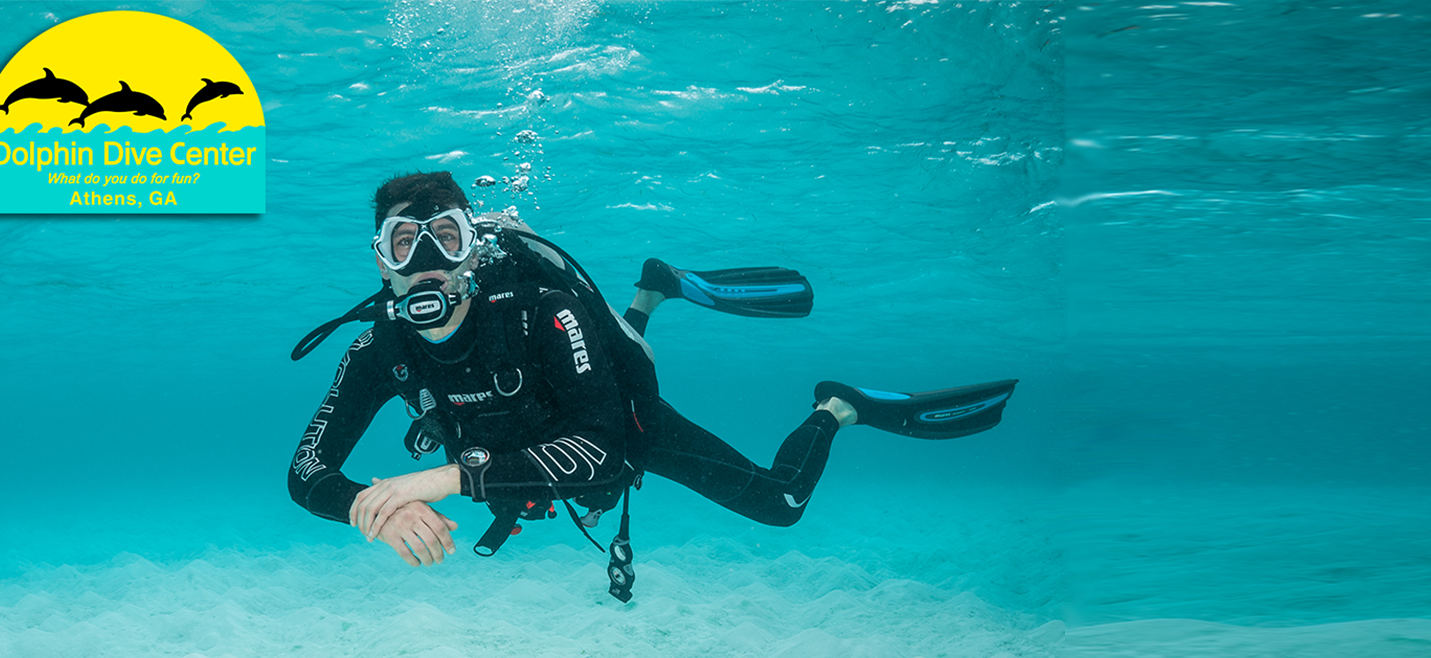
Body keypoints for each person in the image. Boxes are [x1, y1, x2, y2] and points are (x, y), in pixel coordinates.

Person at [287, 171, 1016, 579]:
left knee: (784, 501)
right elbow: (307, 470)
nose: (426, 261)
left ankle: (837, 406)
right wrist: (366, 506)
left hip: (620, 424)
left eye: (446, 237)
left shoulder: (544, 311)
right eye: (404, 242)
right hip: (523, 455)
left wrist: (439, 480)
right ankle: (650, 292)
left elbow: (601, 449)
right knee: (624, 336)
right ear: (380, 261)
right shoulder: (381, 347)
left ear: (475, 249)